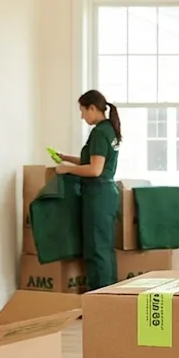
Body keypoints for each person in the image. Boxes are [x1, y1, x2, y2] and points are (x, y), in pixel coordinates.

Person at [55, 89, 122, 291]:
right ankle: (110, 295)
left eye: (83, 111)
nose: (82, 116)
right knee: (105, 247)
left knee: (96, 248)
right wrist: (66, 158)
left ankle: (99, 298)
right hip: (107, 193)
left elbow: (94, 170)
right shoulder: (109, 129)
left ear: (92, 108)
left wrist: (66, 169)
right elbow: (93, 161)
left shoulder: (99, 133)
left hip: (97, 195)